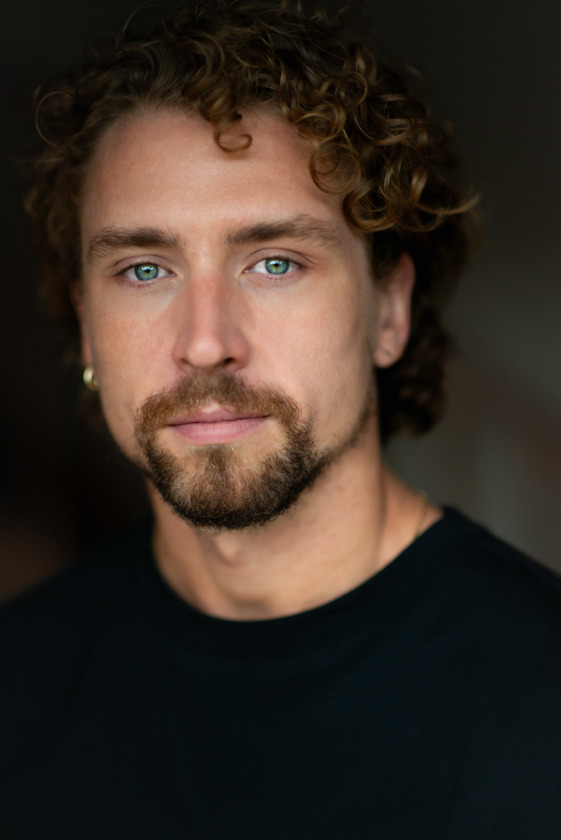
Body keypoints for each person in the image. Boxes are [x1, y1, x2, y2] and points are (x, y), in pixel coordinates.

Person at [2, 1, 561, 837]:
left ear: (388, 311)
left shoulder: (539, 696)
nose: (204, 342)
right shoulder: (18, 681)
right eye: (145, 270)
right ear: (87, 327)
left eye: (274, 262)